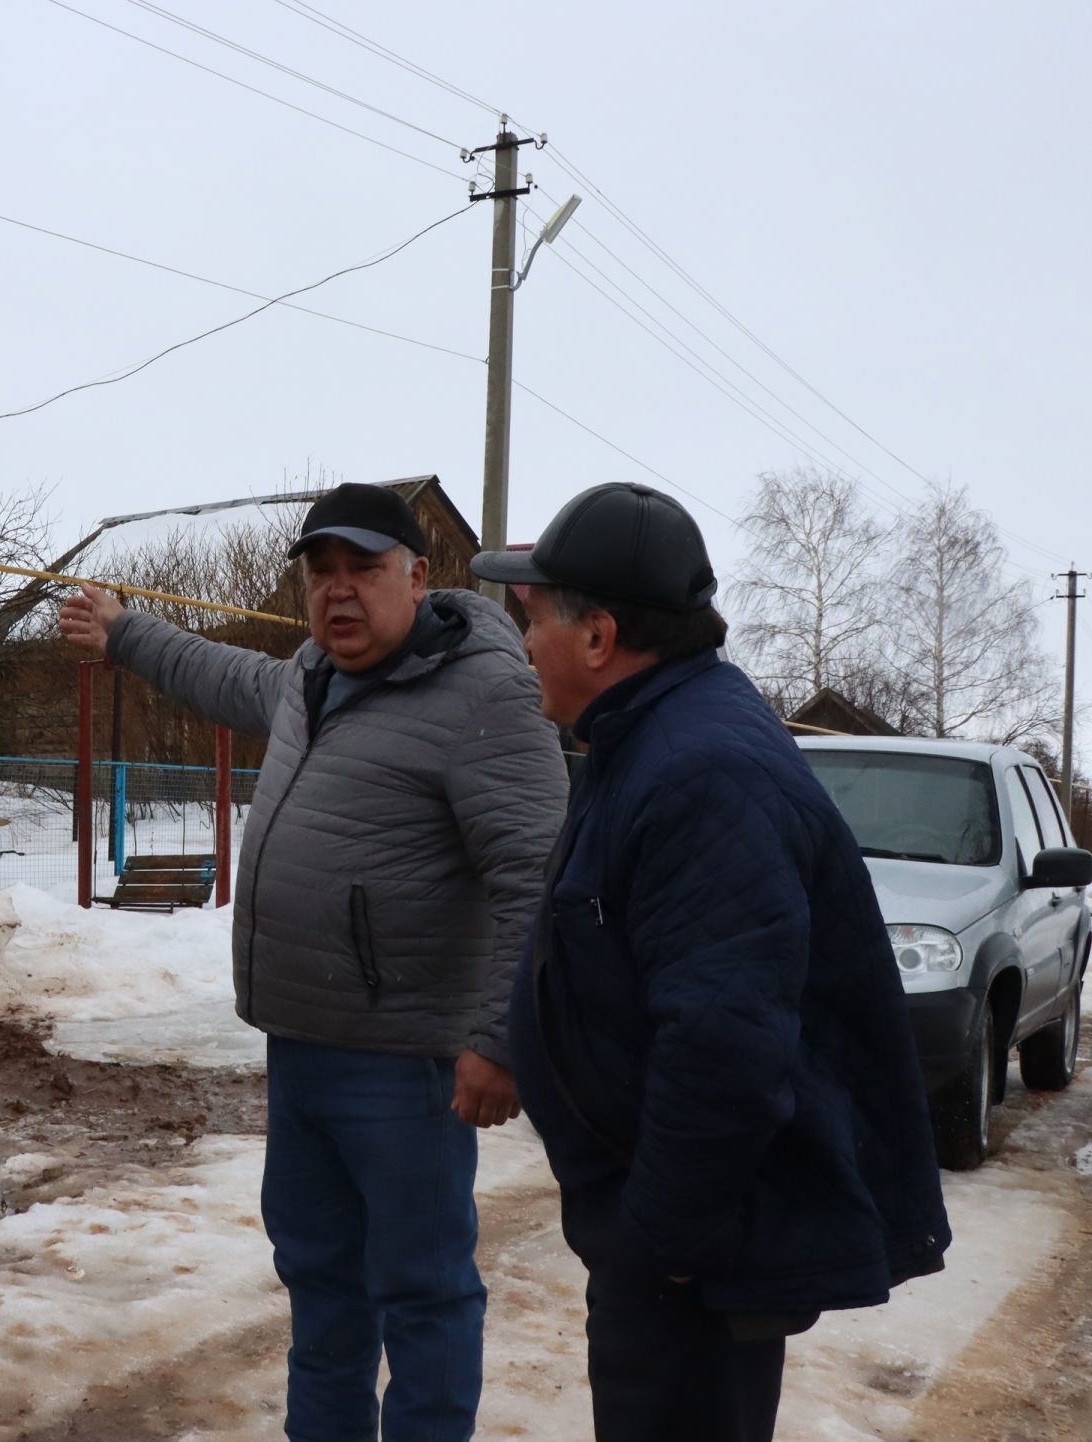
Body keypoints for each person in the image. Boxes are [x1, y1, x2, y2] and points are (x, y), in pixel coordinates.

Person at [59, 482, 569, 1442]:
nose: (338, 592)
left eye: (364, 570)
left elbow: (533, 876)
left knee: (423, 1293)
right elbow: (219, 675)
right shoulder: (311, 678)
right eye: (321, 572)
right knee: (321, 1280)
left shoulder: (487, 695)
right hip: (301, 1048)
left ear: (419, 578)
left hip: (408, 1065)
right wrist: (128, 632)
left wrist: (501, 1039)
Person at [468, 482, 952, 1442]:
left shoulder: (701, 772)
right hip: (676, 1244)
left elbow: (725, 1042)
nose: (524, 643)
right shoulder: (650, 737)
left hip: (695, 1260)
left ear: (599, 637)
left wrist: (661, 1246)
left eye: (538, 618)